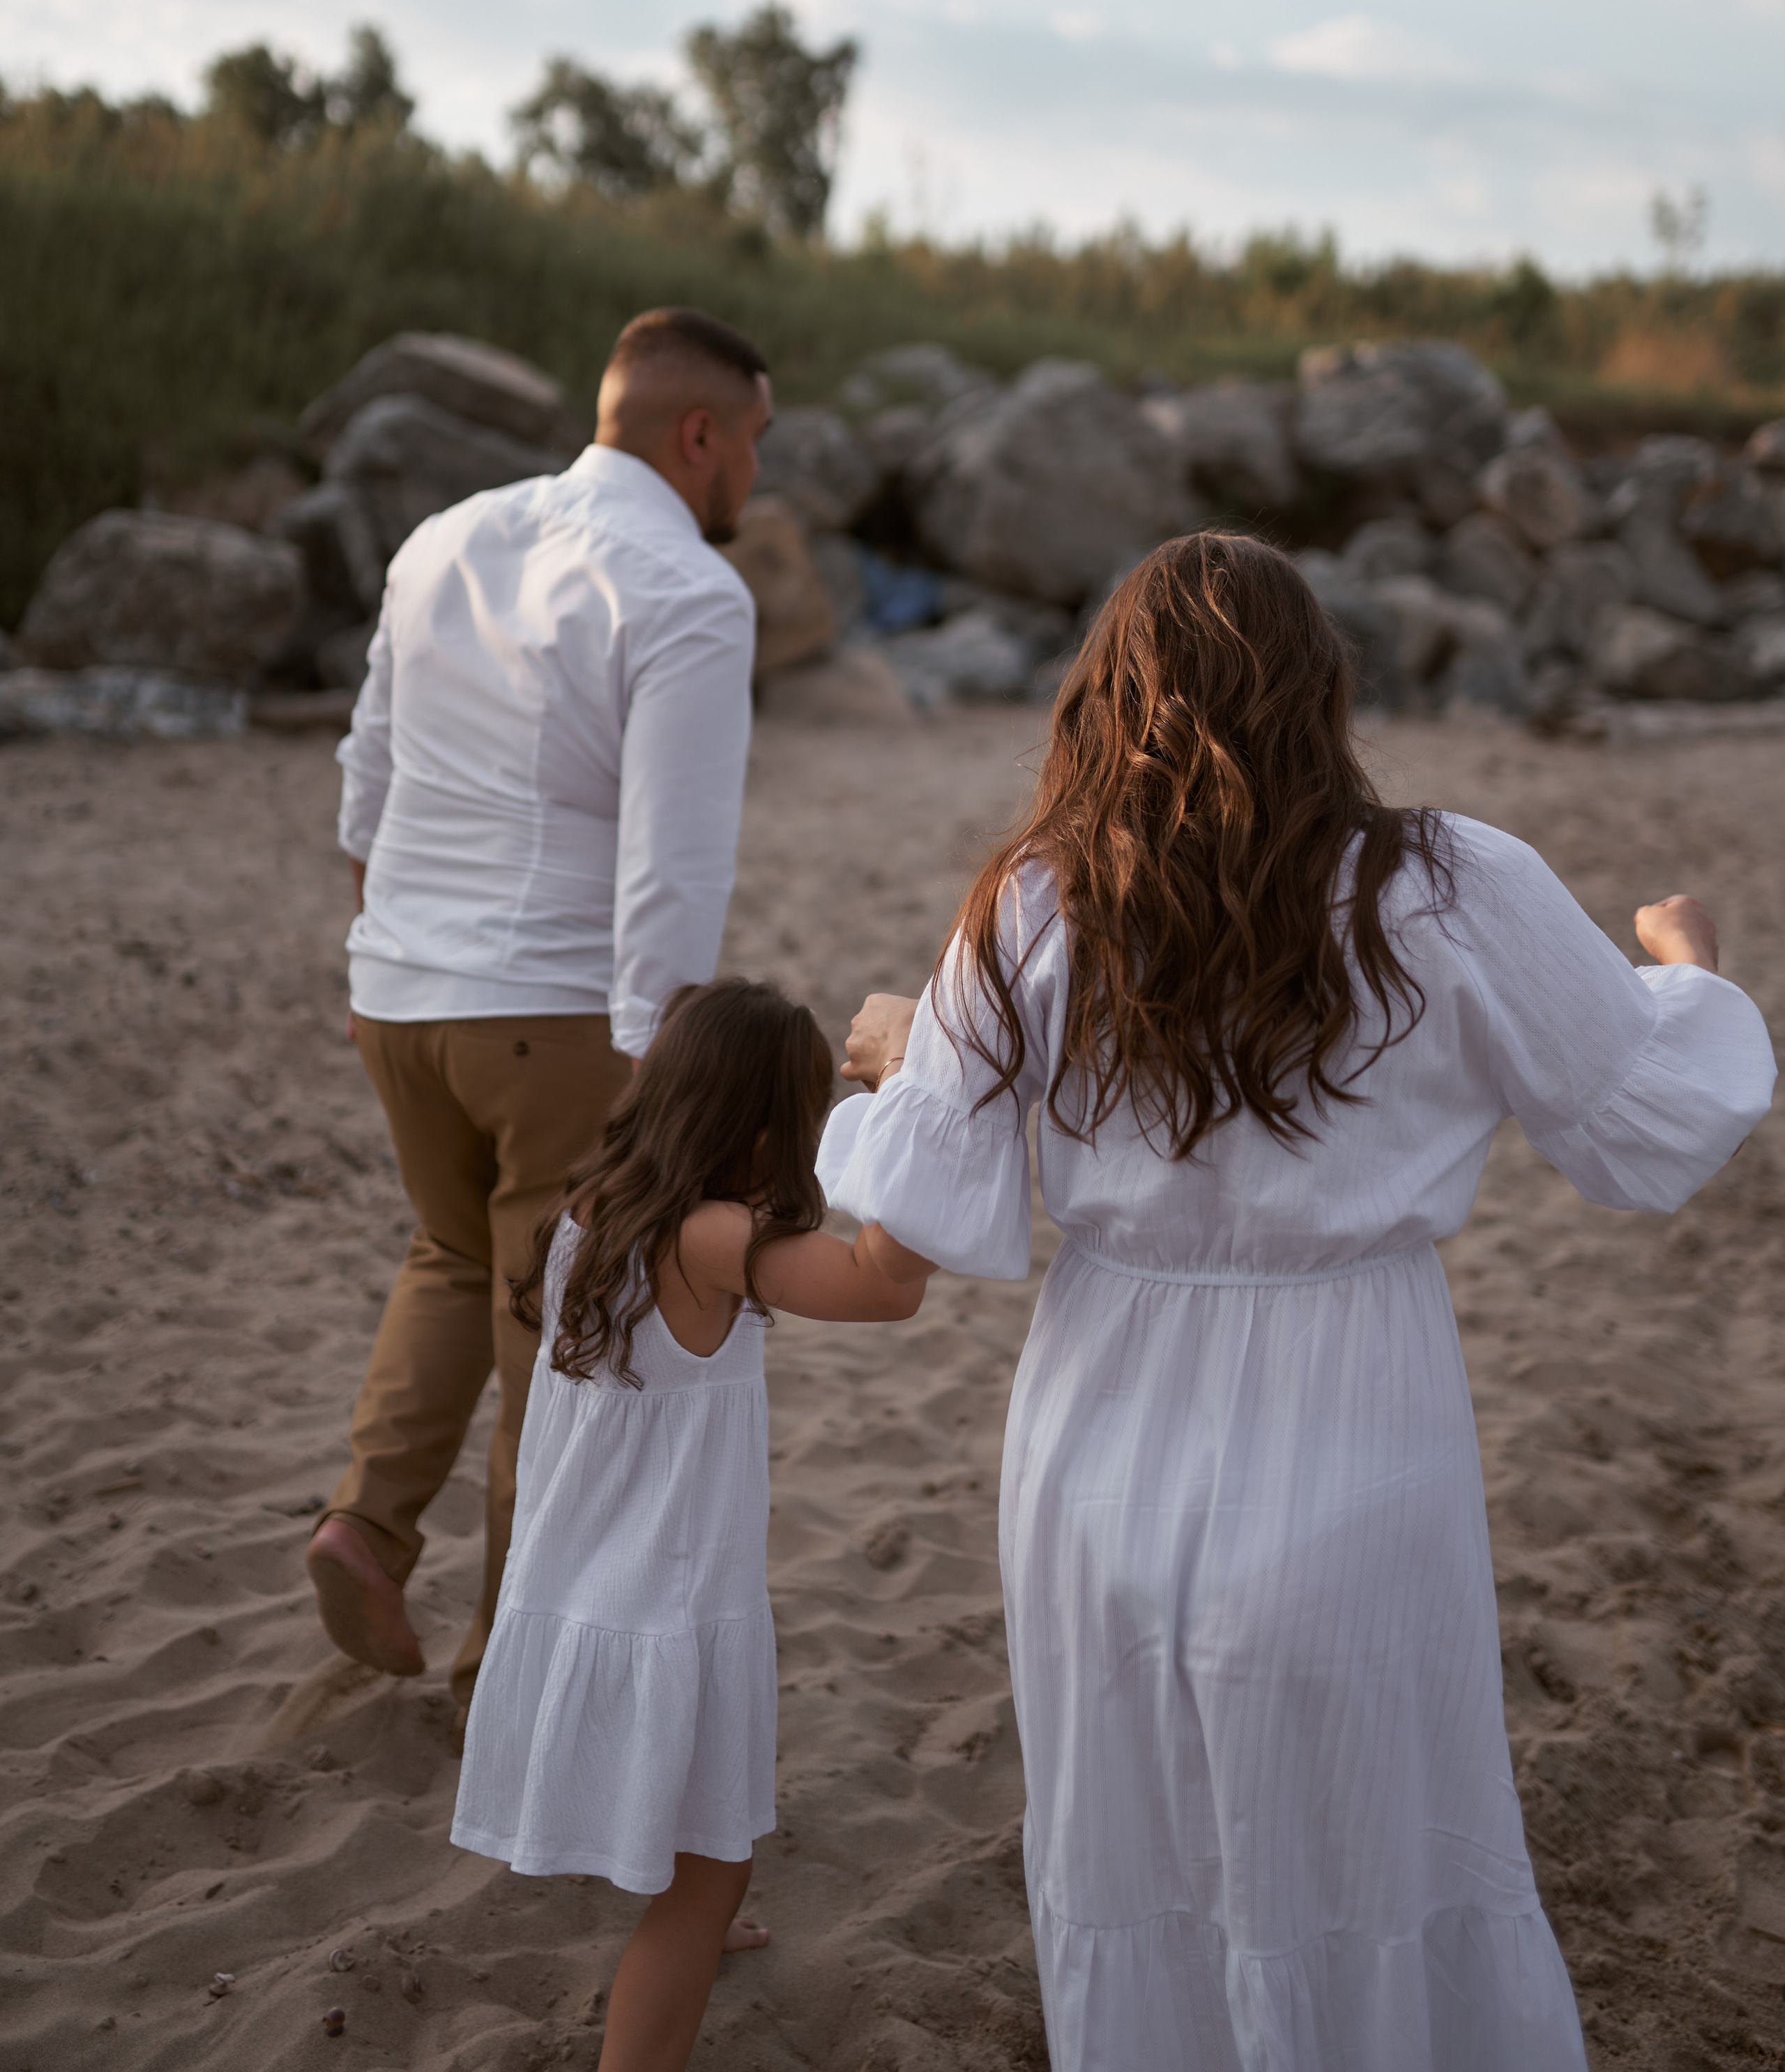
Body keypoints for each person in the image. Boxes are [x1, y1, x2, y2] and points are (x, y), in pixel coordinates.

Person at [819, 531, 1776, 2072]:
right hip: (1356, 1411)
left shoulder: (1035, 902)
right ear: (1317, 694)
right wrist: (1685, 968)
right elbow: (1647, 1127)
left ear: (1103, 702)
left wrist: (889, 1052)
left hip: (1099, 1431)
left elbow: (939, 1198)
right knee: (1369, 1841)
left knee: (1133, 1838)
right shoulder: (1451, 882)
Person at [308, 307, 773, 1721]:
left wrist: (390, 947)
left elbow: (365, 773)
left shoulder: (446, 536)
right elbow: (671, 862)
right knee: (556, 1352)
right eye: (752, 441)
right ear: (697, 434)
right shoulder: (685, 592)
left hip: (401, 996)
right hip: (551, 1013)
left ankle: (366, 1530)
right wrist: (657, 1063)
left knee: (454, 1257)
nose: (753, 472)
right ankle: (505, 1676)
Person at [450, 976, 930, 2072]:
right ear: (770, 1130)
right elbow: (889, 1286)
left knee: (691, 1821)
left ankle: (702, 1921)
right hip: (665, 1601)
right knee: (716, 1866)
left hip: (585, 1577)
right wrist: (907, 1098)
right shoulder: (714, 1235)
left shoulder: (595, 1207)